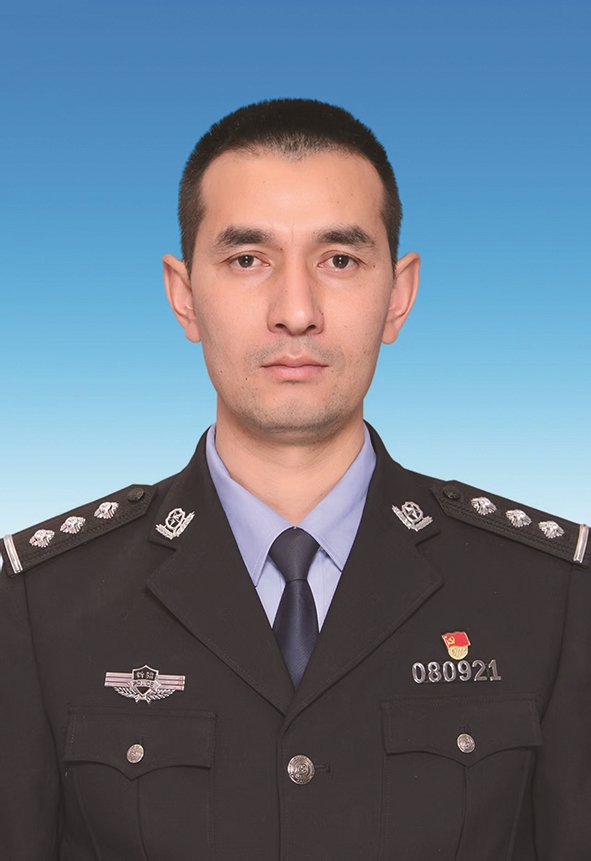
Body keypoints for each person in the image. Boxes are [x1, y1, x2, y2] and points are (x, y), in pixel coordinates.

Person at [1, 99, 589, 861]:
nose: (296, 311)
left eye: (338, 259)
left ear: (397, 295)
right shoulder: (41, 603)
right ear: (183, 295)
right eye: (248, 259)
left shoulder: (551, 594)